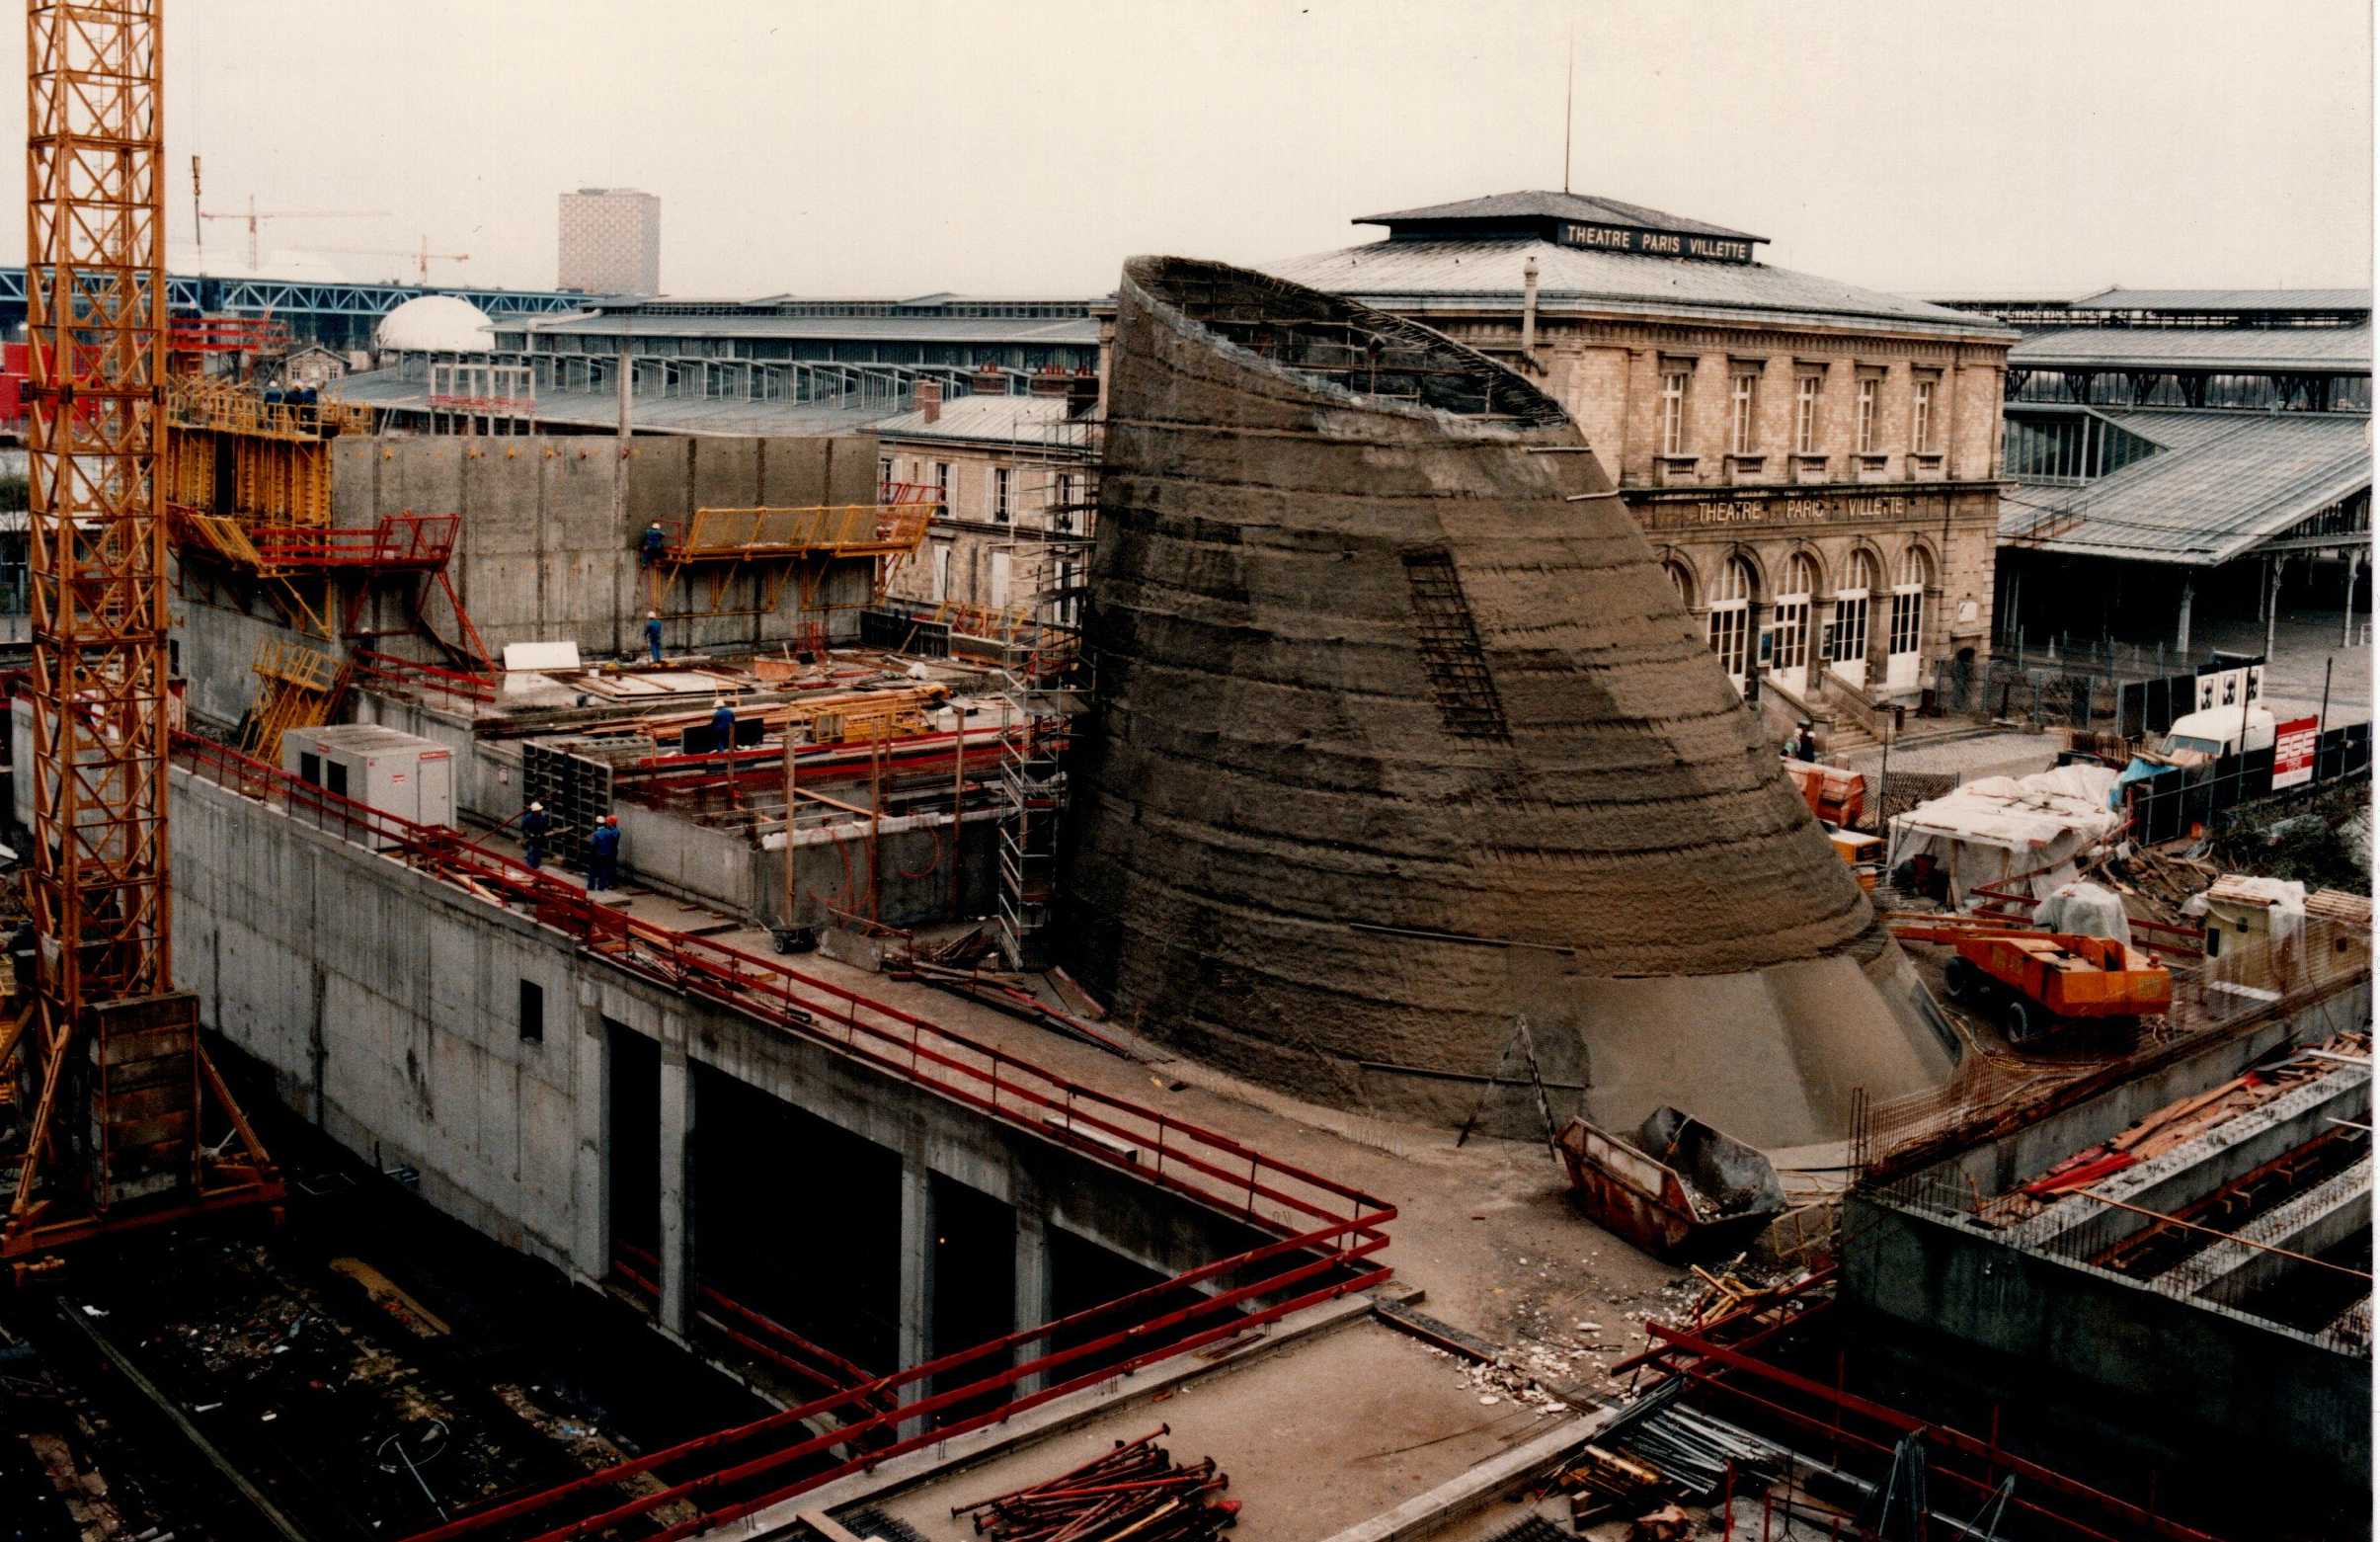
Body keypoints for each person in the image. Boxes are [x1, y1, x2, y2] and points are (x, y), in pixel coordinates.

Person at [587, 814, 621, 893]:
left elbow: (593, 844)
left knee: (597, 869)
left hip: (604, 853)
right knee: (605, 869)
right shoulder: (610, 832)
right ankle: (602, 885)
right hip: (608, 853)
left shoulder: (611, 832)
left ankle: (593, 886)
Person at [521, 801, 551, 870]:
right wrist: (529, 834)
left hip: (540, 837)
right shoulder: (528, 818)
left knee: (538, 853)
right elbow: (523, 828)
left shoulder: (542, 817)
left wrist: (545, 834)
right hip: (532, 837)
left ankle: (536, 867)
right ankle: (530, 868)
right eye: (538, 810)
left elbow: (545, 827)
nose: (540, 811)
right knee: (532, 852)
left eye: (540, 810)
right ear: (534, 811)